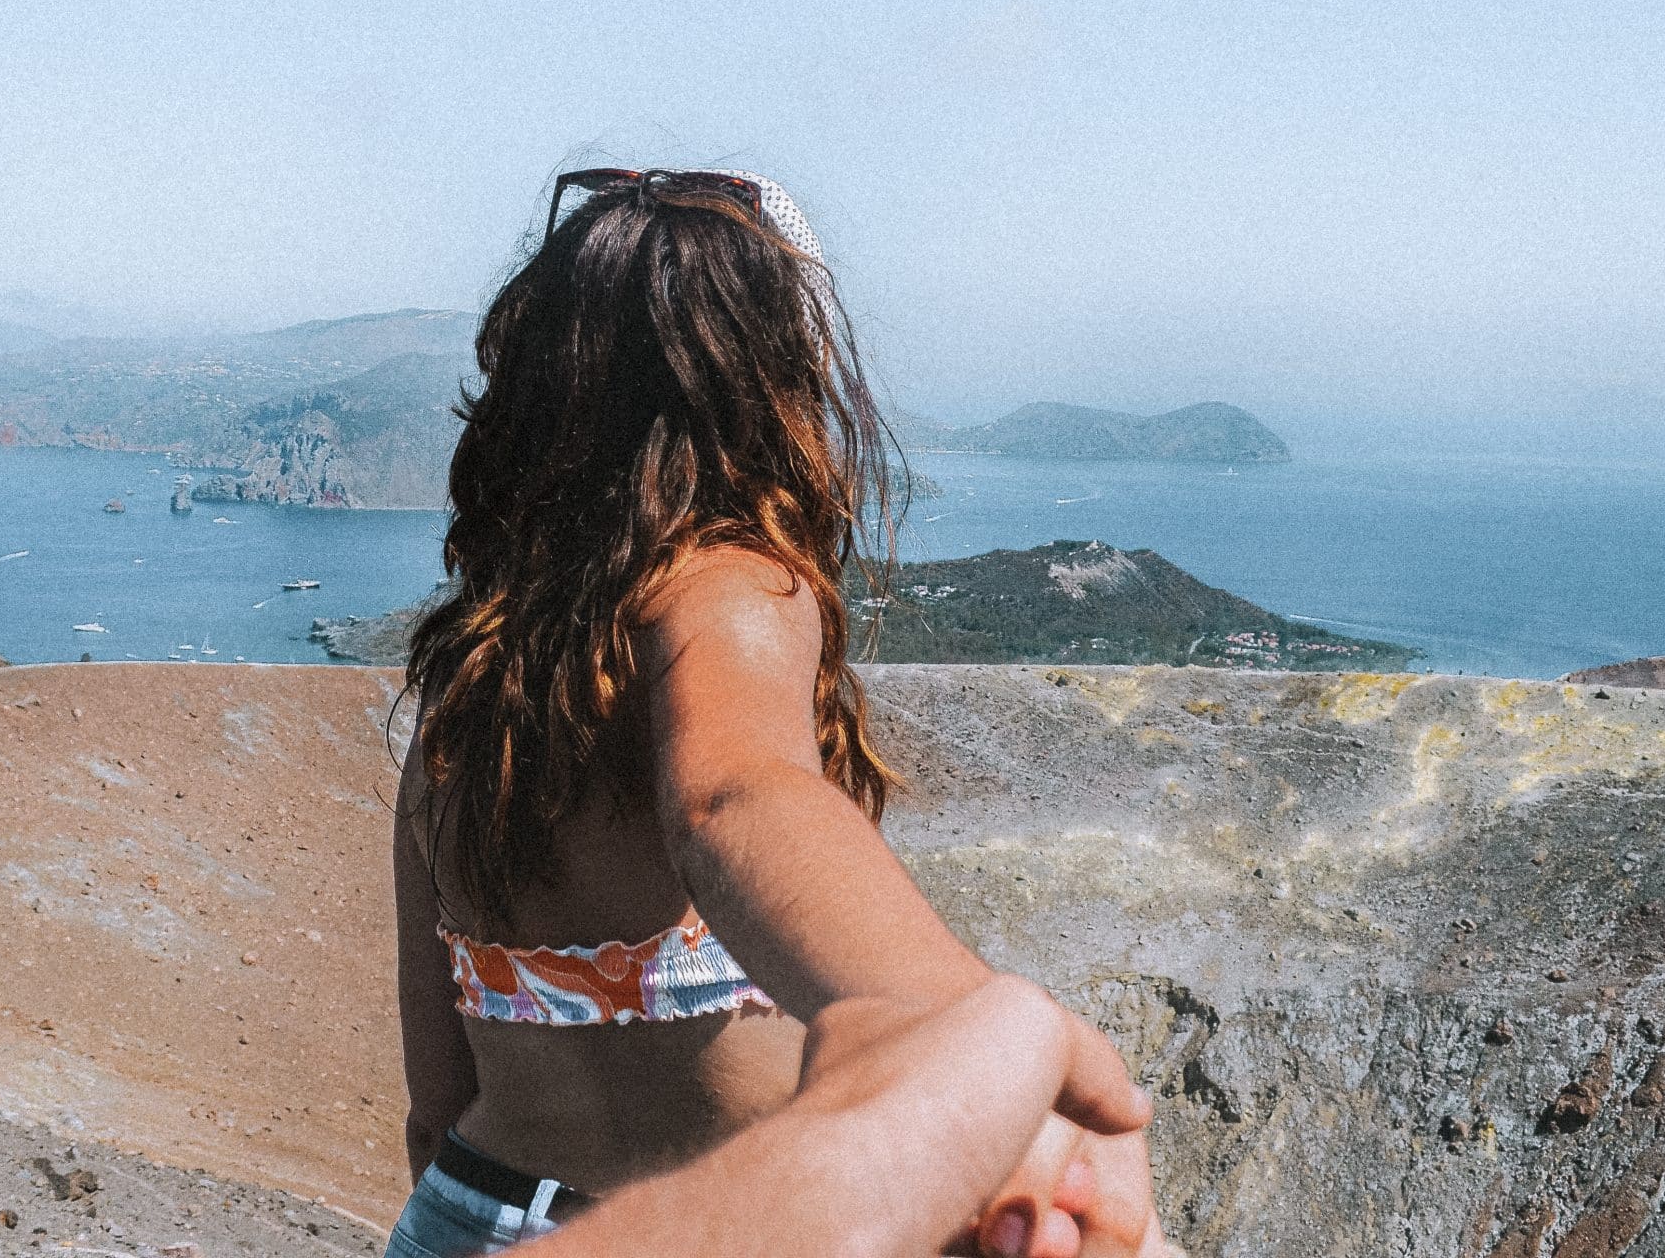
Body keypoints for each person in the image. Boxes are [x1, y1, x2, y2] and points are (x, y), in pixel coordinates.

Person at [387, 167, 1166, 1258]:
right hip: (725, 1227)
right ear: (774, 378)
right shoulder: (732, 582)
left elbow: (433, 1101)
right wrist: (974, 1045)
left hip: (464, 1217)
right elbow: (736, 793)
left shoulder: (465, 694)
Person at [528, 976, 1183, 1258]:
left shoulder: (445, 771)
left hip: (475, 1202)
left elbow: (433, 1115)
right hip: (772, 1224)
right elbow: (732, 797)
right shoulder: (788, 775)